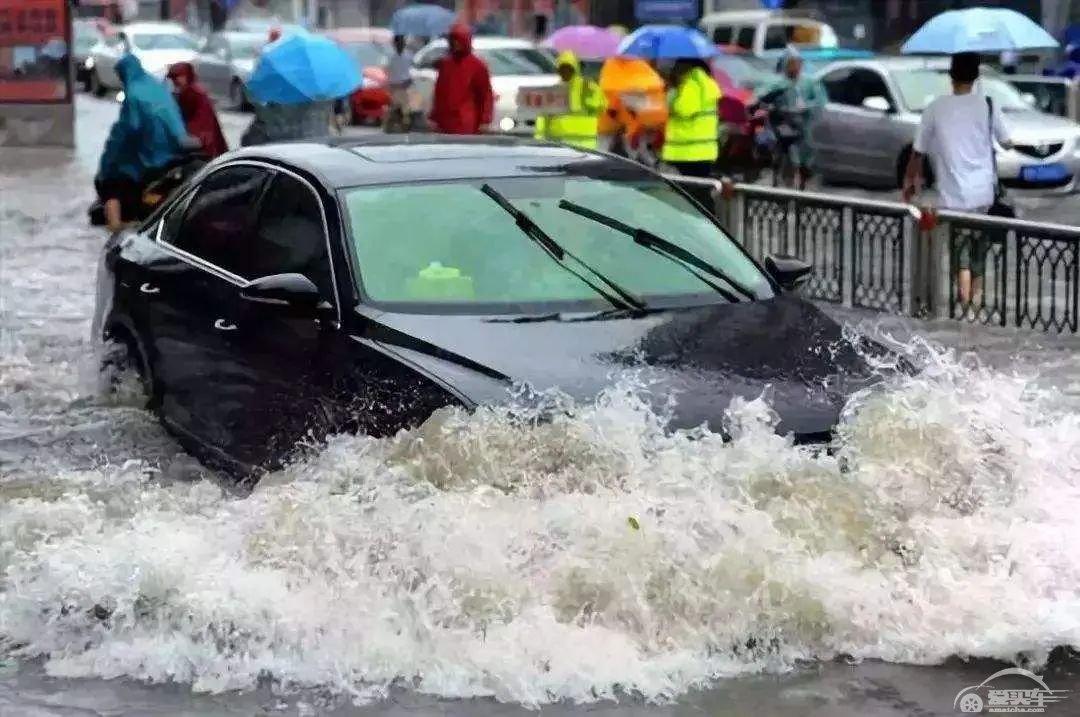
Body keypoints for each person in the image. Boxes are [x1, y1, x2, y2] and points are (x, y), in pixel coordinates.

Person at [902, 51, 1013, 313]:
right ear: (976, 76)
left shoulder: (935, 107)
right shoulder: (988, 104)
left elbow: (917, 152)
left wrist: (909, 183)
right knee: (978, 256)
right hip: (984, 196)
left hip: (952, 198)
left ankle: (963, 312)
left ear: (951, 76)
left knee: (959, 257)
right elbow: (1007, 141)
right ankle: (974, 305)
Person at [95, 53, 192, 232]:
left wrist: (108, 162)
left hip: (149, 156)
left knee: (112, 182)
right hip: (174, 151)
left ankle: (115, 226)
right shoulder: (158, 88)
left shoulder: (133, 94)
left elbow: (129, 129)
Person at [754, 46, 826, 190]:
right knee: (783, 159)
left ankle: (802, 187)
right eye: (791, 63)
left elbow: (820, 101)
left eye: (797, 63)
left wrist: (807, 107)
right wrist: (771, 107)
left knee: (806, 162)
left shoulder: (808, 82)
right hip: (781, 128)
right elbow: (761, 96)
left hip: (803, 129)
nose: (795, 67)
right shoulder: (777, 83)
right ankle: (781, 187)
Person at [429, 23, 493, 135]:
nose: (455, 44)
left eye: (458, 40)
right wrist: (434, 117)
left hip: (464, 122)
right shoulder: (446, 64)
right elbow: (440, 92)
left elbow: (485, 95)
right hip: (444, 122)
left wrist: (485, 120)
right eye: (453, 40)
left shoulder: (477, 66)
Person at [661, 58, 721, 178]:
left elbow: (685, 110)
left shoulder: (691, 83)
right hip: (700, 150)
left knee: (691, 191)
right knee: (697, 188)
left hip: (688, 151)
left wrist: (672, 97)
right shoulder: (703, 81)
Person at [534, 50, 605, 150]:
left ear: (575, 69)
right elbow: (543, 118)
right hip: (561, 143)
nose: (565, 72)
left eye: (568, 69)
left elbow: (600, 107)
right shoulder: (553, 90)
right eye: (562, 69)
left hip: (585, 142)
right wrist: (540, 139)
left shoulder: (588, 87)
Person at [166, 62, 227, 159]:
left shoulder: (195, 93)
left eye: (179, 76)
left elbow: (201, 122)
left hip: (203, 143)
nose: (175, 80)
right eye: (173, 77)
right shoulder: (182, 93)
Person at [386, 34, 420, 132]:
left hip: (407, 87)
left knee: (410, 111)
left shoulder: (409, 56)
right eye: (398, 42)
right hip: (396, 89)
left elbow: (414, 70)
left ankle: (409, 128)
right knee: (396, 111)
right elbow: (391, 75)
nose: (400, 44)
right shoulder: (392, 58)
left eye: (402, 42)